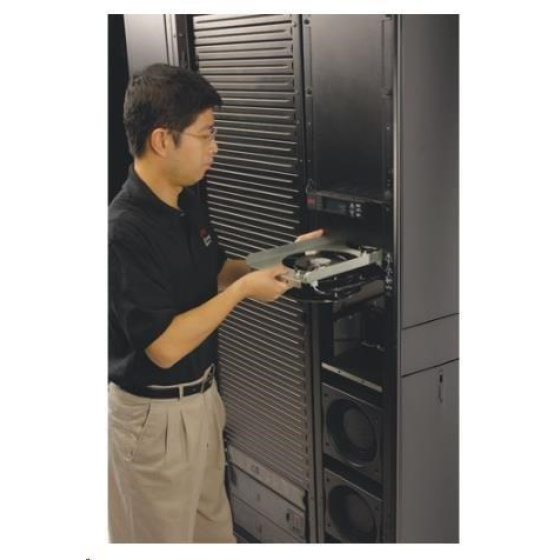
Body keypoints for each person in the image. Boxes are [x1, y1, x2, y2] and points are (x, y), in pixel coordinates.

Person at [108, 63, 321, 543]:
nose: (215, 147)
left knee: (214, 535)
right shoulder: (123, 232)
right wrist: (243, 292)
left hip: (204, 401)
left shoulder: (185, 201)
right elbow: (164, 347)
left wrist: (286, 257)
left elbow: (218, 270)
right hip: (153, 420)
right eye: (205, 135)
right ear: (162, 141)